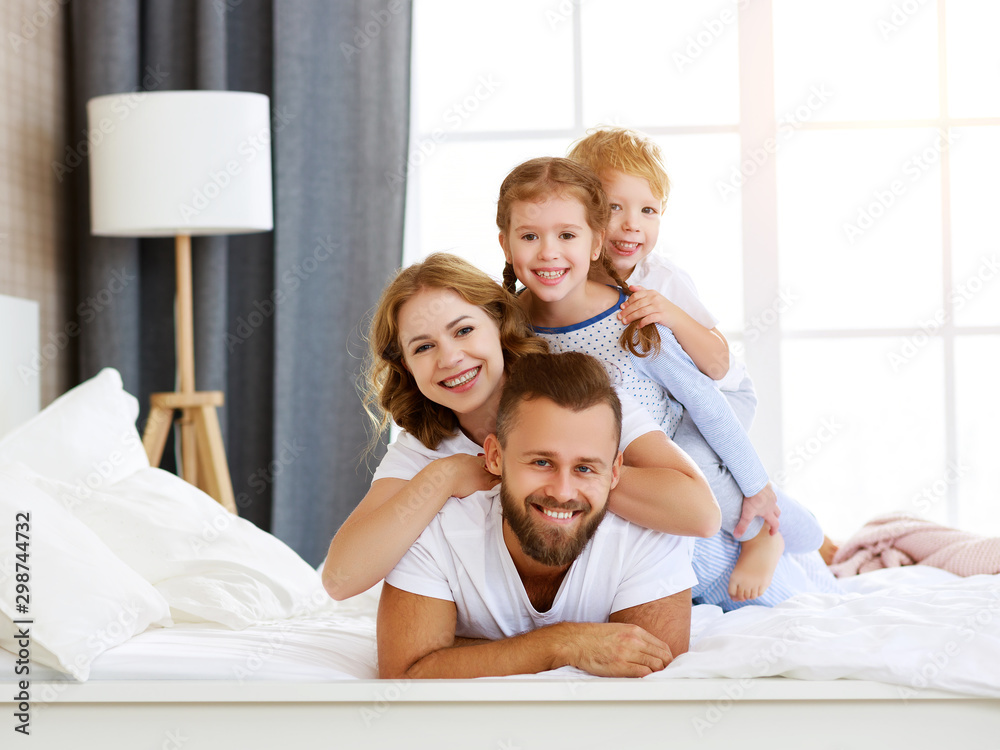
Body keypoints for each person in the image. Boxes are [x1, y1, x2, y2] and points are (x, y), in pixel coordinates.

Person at [496, 156, 835, 608]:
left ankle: (774, 527)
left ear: (596, 242)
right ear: (505, 243)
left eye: (567, 236)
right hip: (612, 503)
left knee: (746, 559)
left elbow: (706, 401)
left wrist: (757, 486)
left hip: (679, 485)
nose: (548, 252)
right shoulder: (506, 328)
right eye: (530, 236)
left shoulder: (632, 318)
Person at [322, 253, 719, 602]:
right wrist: (446, 475)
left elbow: (700, 514)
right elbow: (341, 579)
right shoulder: (425, 447)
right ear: (407, 365)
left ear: (498, 323)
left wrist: (533, 472)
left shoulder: (580, 393)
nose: (450, 358)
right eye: (423, 347)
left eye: (463, 330)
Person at [377, 351, 695, 679]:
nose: (562, 491)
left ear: (615, 472)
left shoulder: (650, 534)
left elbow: (656, 679)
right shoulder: (436, 530)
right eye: (542, 462)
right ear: (495, 457)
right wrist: (560, 644)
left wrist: (460, 655)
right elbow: (406, 673)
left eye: (585, 468)